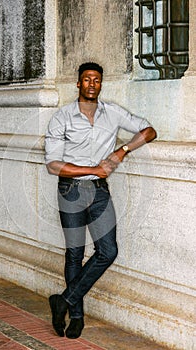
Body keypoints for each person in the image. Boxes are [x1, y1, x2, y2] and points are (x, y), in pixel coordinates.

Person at [45, 62, 156, 339]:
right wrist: (94, 168)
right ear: (78, 84)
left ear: (101, 84)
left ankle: (63, 300)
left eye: (96, 79)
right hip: (71, 190)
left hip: (99, 192)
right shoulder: (62, 117)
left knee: (108, 250)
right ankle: (77, 317)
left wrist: (123, 151)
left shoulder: (113, 113)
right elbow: (54, 165)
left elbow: (149, 131)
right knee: (74, 253)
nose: (92, 84)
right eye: (86, 79)